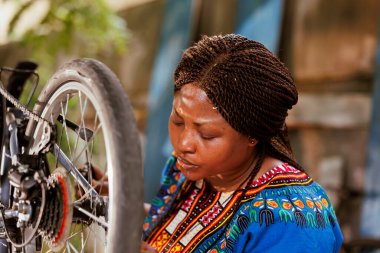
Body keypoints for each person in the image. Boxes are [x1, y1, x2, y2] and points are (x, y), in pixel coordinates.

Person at [141, 34, 343, 253]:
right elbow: (181, 225)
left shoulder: (290, 222)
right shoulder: (190, 169)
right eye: (178, 121)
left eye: (207, 134)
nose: (183, 143)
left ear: (251, 135)